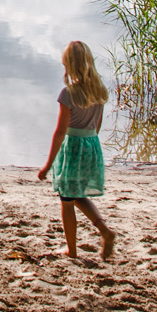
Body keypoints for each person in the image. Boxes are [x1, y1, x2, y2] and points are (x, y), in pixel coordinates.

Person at [38, 40, 117, 261]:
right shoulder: (100, 91)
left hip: (73, 147)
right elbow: (98, 126)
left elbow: (60, 132)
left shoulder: (68, 94)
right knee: (78, 194)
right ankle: (104, 230)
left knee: (66, 200)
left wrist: (48, 164)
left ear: (70, 66)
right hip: (91, 146)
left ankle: (72, 250)